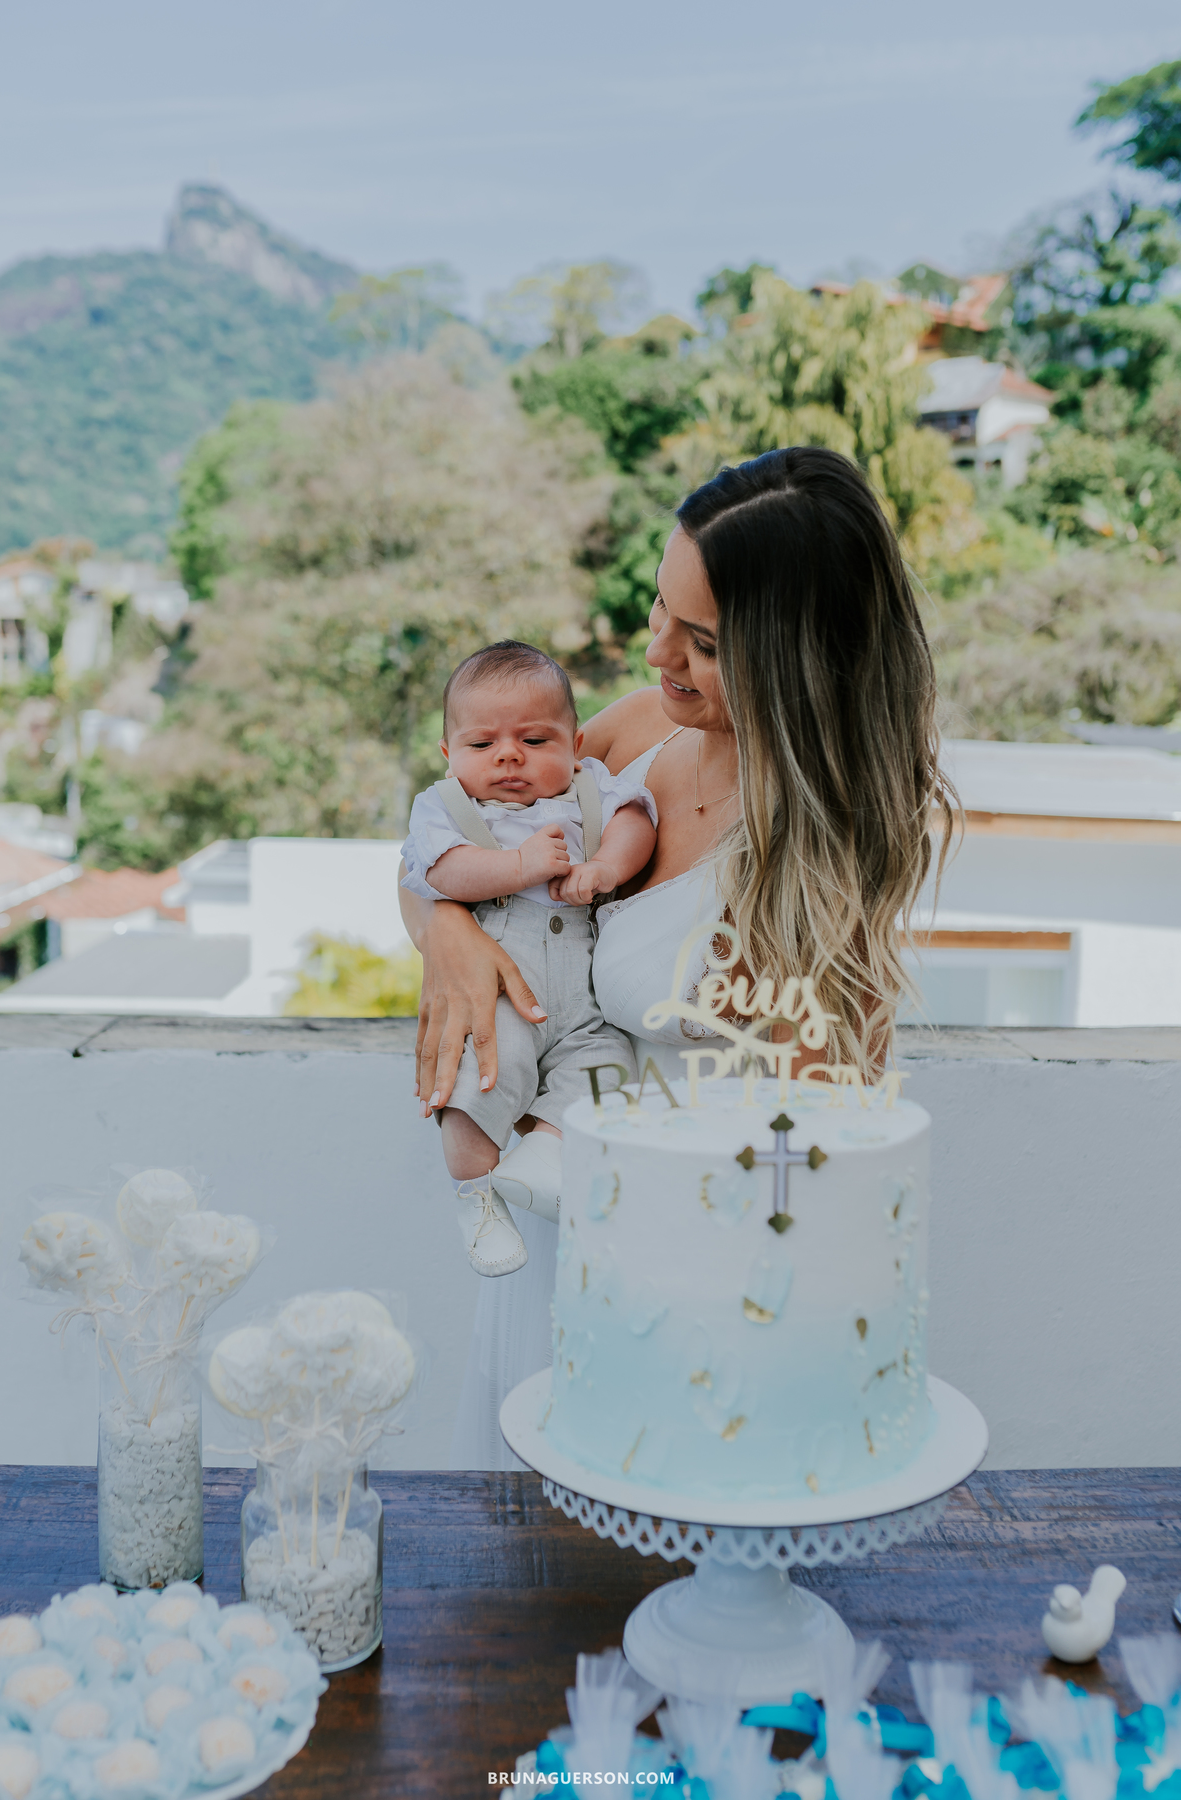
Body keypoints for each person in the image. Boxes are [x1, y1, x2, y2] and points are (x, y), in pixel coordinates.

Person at [398, 446, 957, 1469]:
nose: (656, 653)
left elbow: (805, 1164)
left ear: (796, 658)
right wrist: (448, 934)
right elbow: (442, 842)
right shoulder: (643, 732)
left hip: (677, 1275)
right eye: (659, 606)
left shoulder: (825, 855)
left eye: (700, 640)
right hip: (542, 1236)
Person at [400, 640, 658, 1278]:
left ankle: (543, 1162)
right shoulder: (448, 808)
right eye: (482, 744)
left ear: (575, 745)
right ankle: (478, 1197)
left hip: (586, 1005)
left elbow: (638, 821)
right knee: (479, 1079)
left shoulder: (591, 789)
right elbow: (435, 870)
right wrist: (519, 866)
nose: (509, 756)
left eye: (536, 741)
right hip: (499, 996)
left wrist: (603, 867)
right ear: (448, 754)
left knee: (607, 1074)